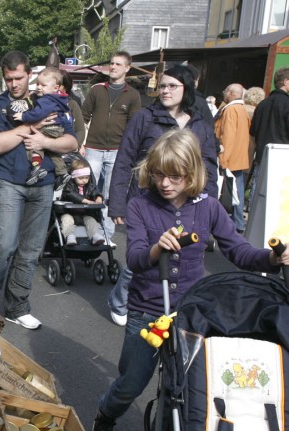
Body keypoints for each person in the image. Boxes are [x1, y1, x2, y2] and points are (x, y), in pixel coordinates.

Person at [92, 128, 288, 431]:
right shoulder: (140, 205)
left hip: (190, 314)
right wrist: (158, 248)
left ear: (192, 173)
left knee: (182, 389)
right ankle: (107, 412)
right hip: (148, 311)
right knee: (132, 381)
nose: (165, 183)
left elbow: (239, 251)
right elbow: (136, 258)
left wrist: (271, 258)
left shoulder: (208, 207)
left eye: (175, 176)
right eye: (159, 174)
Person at [106, 65, 218, 327]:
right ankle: (120, 300)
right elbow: (125, 160)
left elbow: (209, 166)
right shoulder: (144, 118)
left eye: (172, 86)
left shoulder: (200, 124)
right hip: (148, 202)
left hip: (187, 204)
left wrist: (209, 204)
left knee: (182, 257)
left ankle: (172, 310)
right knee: (145, 256)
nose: (165, 91)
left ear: (187, 89)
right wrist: (117, 204)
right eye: (163, 86)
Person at [0, 51, 78, 329]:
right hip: (9, 181)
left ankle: (17, 306)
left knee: (31, 250)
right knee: (4, 244)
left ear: (29, 75)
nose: (14, 84)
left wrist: (45, 142)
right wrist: (31, 125)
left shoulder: (48, 100)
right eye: (9, 79)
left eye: (19, 78)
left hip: (43, 184)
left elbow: (71, 142)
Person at [81, 51, 141, 242]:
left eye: (118, 64)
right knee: (87, 191)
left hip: (117, 152)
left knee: (110, 195)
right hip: (93, 148)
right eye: (112, 63)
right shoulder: (97, 90)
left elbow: (133, 126)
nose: (113, 67)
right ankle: (85, 231)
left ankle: (106, 236)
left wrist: (129, 152)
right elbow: (83, 117)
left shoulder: (133, 95)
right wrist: (80, 142)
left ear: (127, 68)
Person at [9, 66, 70, 184]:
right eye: (37, 84)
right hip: (57, 128)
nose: (38, 87)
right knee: (53, 152)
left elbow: (38, 113)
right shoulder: (58, 98)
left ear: (55, 87)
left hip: (48, 128)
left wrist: (23, 116)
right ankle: (62, 172)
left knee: (32, 144)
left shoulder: (47, 100)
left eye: (43, 85)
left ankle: (36, 167)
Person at [249, 67, 289, 210]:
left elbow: (253, 133)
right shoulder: (287, 104)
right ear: (286, 82)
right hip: (283, 157)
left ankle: (253, 221)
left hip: (262, 156)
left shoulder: (262, 104)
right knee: (280, 198)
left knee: (257, 194)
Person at [214, 83, 250, 233]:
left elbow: (227, 137)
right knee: (237, 191)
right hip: (238, 156)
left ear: (230, 93)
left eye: (225, 91)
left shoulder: (230, 109)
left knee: (229, 192)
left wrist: (223, 160)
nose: (223, 94)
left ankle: (230, 222)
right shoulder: (241, 109)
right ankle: (238, 222)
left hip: (229, 157)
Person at [60, 157, 106, 246]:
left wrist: (98, 198)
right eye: (81, 178)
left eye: (86, 178)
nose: (84, 180)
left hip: (85, 213)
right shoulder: (69, 185)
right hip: (69, 212)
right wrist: (87, 201)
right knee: (67, 220)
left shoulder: (89, 186)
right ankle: (70, 236)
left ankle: (95, 235)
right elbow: (70, 194)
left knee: (91, 221)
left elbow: (95, 192)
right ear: (74, 176)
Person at [61, 71, 85, 147]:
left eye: (58, 84)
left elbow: (80, 130)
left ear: (65, 87)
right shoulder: (41, 103)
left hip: (69, 148)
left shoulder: (72, 104)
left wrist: (74, 145)